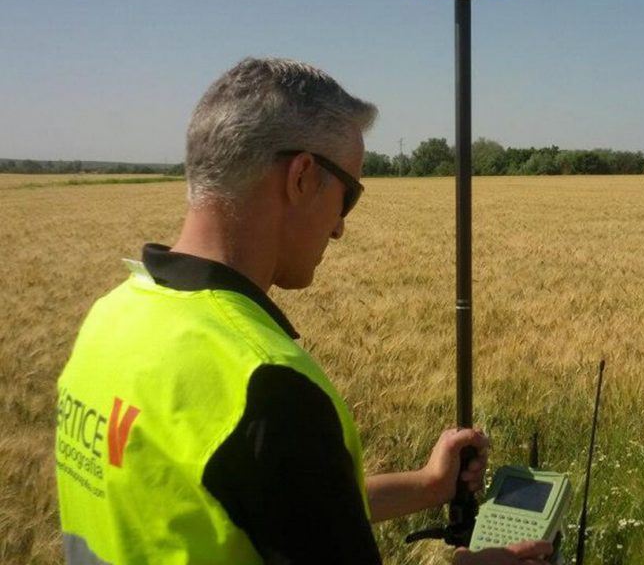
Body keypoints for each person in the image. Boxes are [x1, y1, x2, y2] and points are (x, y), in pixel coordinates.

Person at [55, 57, 553, 565]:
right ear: (302, 176)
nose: (339, 228)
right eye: (348, 197)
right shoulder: (265, 385)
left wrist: (427, 486)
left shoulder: (110, 318)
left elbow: (258, 503)